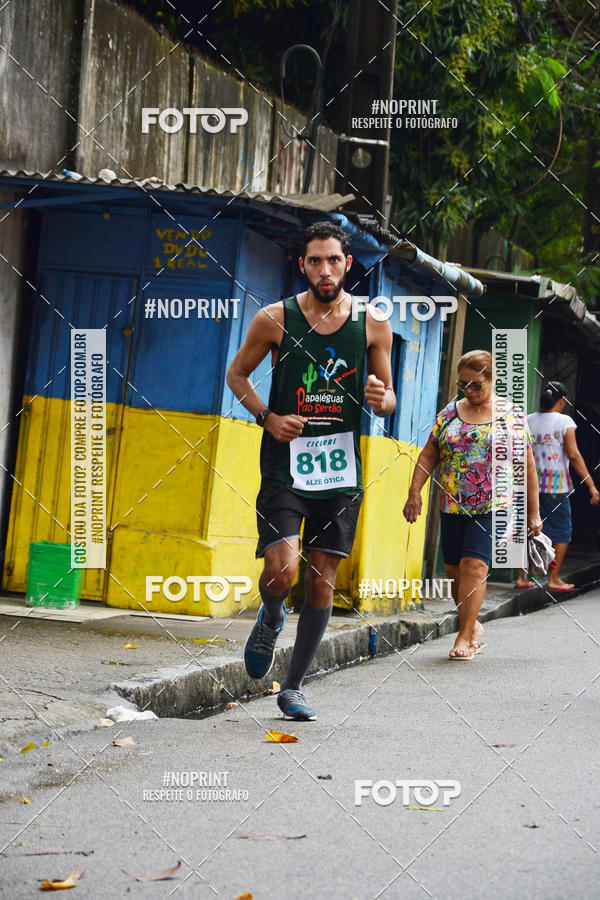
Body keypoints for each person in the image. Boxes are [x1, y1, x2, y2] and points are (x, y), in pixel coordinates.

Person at [226, 221, 396, 720]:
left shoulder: (373, 323)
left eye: (334, 260)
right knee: (282, 571)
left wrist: (383, 399)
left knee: (322, 584)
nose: (325, 269)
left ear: (348, 264)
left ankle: (294, 686)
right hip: (285, 466)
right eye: (315, 260)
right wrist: (267, 416)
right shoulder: (274, 319)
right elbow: (237, 374)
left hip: (339, 473)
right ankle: (272, 613)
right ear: (303, 265)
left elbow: (387, 400)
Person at [403, 350, 542, 660]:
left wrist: (533, 512)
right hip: (452, 505)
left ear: (491, 380)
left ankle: (464, 638)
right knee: (454, 571)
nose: (468, 391)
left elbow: (528, 465)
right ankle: (471, 624)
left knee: (475, 566)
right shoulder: (449, 414)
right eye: (462, 385)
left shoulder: (510, 415)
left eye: (476, 385)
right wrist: (414, 492)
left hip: (494, 505)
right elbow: (429, 455)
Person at [516, 382, 600, 592]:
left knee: (529, 528)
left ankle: (522, 577)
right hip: (556, 487)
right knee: (562, 532)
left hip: (530, 484)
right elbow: (574, 455)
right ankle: (553, 578)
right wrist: (591, 485)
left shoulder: (528, 420)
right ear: (562, 401)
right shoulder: (565, 421)